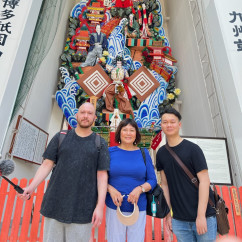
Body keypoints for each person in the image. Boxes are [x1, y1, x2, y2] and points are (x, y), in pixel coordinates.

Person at [17, 102, 110, 242]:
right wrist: (31, 187)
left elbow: (102, 175)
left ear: (95, 118)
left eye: (89, 113)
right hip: (55, 204)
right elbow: (47, 164)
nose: (85, 116)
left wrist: (99, 206)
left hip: (83, 209)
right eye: (82, 112)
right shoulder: (61, 137)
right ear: (77, 115)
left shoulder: (100, 143)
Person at [156, 108, 217, 242]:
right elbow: (165, 185)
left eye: (173, 121)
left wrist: (200, 216)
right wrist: (168, 215)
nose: (169, 125)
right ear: (161, 125)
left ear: (179, 124)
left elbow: (204, 181)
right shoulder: (161, 153)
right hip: (179, 220)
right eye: (165, 122)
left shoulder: (193, 149)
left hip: (204, 217)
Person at [105, 118, 157, 242]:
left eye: (132, 130)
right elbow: (100, 178)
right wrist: (110, 189)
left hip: (138, 207)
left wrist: (140, 189)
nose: (128, 133)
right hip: (114, 206)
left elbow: (152, 180)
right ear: (119, 133)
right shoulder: (109, 152)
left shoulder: (143, 153)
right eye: (125, 130)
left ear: (136, 134)